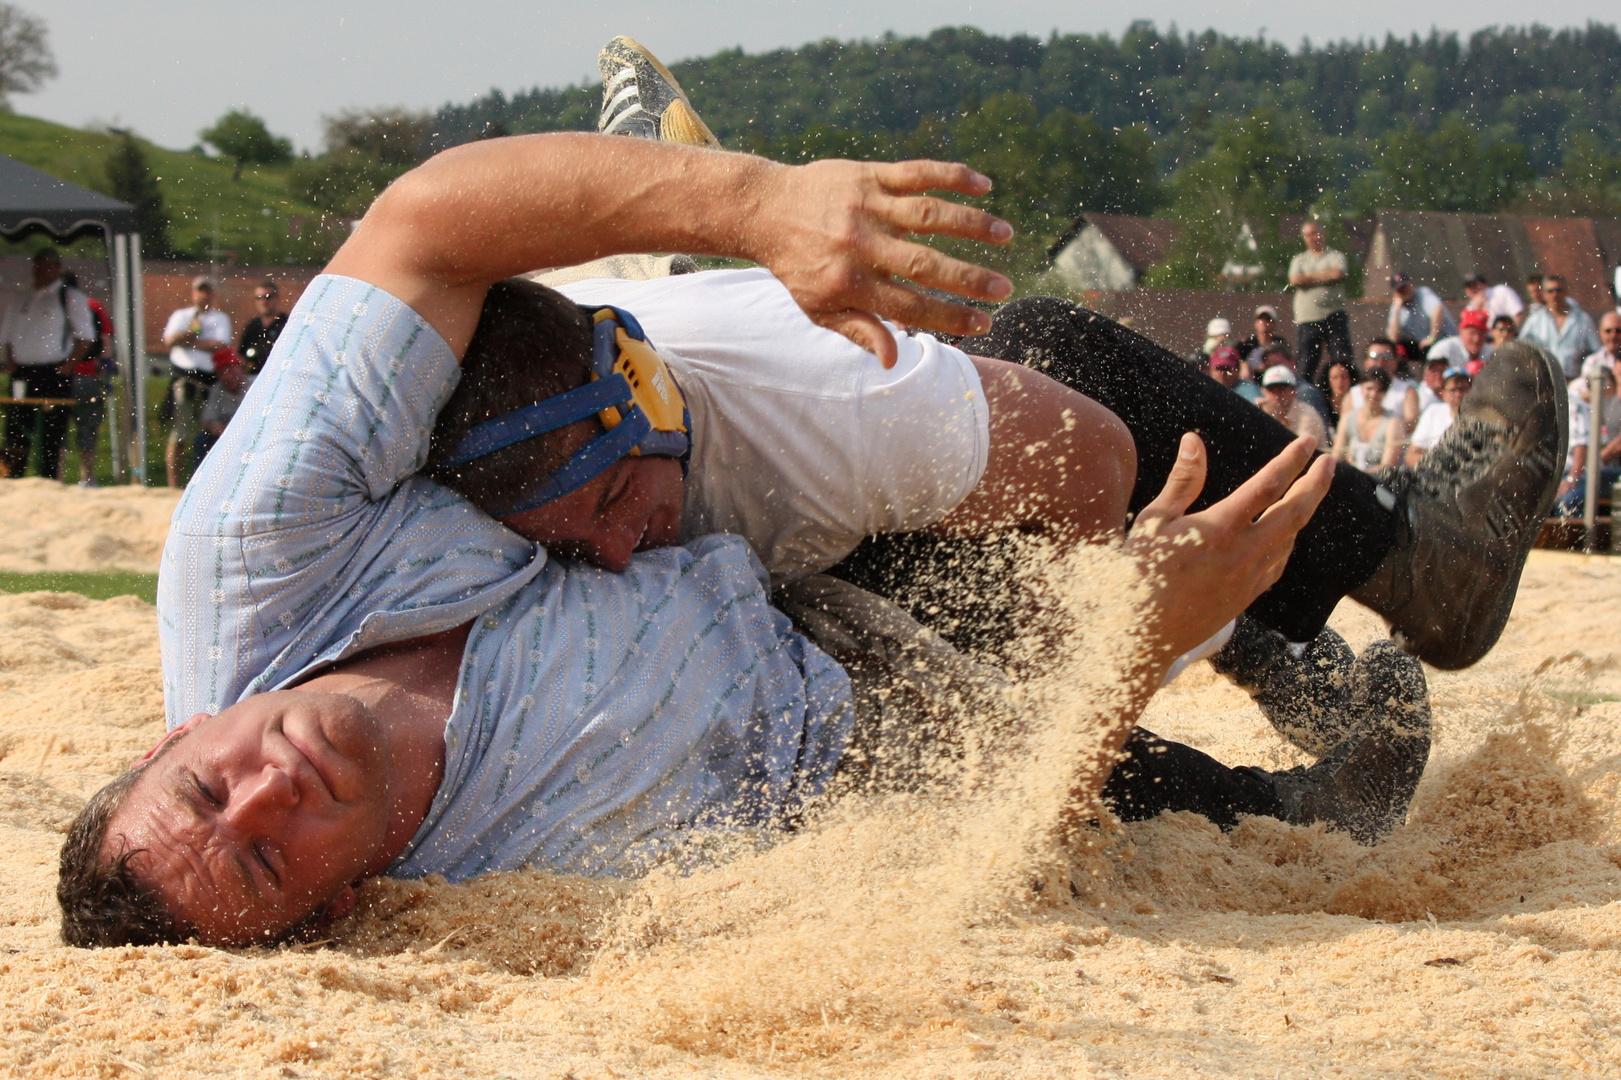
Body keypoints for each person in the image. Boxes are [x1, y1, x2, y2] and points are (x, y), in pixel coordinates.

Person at [56, 53, 1564, 951]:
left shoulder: (258, 561)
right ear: (324, 918)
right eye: (262, 856)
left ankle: (1398, 574)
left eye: (209, 786)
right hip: (867, 703)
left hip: (683, 477)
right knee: (1052, 727)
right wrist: (1114, 656)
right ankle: (1289, 754)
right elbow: (954, 850)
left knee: (1045, 368)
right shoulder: (526, 891)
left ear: (177, 733)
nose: (268, 792)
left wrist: (750, 201)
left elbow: (421, 226)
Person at [0, 249, 95, 479]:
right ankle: (11, 477)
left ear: (57, 268)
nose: (41, 271)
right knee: (16, 428)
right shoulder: (22, 298)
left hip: (53, 371)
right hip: (23, 371)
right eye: (38, 266)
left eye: (46, 266)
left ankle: (48, 478)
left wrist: (69, 365)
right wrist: (11, 361)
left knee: (52, 431)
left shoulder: (70, 297)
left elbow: (85, 336)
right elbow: (8, 336)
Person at [160, 276, 231, 487]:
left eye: (208, 291)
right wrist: (192, 333)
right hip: (184, 378)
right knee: (179, 434)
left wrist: (191, 341)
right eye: (200, 291)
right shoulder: (181, 315)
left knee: (209, 431)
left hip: (208, 381)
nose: (204, 295)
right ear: (193, 293)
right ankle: (173, 485)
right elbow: (170, 341)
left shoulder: (220, 318)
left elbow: (220, 344)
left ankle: (203, 483)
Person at [61, 273, 115, 486]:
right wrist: (106, 369)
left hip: (60, 376)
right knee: (87, 427)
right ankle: (87, 477)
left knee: (58, 427)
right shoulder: (92, 305)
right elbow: (105, 341)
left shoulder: (54, 308)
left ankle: (57, 476)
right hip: (88, 376)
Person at [1289, 221, 1351, 383]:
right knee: (1306, 363)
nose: (1312, 238)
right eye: (1308, 235)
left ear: (1323, 234)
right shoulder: (1299, 260)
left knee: (1342, 359)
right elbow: (1295, 279)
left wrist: (1308, 277)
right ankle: (1304, 393)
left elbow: (1337, 274)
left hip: (1333, 314)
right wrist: (1325, 276)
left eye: (1315, 233)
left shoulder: (1336, 256)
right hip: (1308, 317)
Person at [1556, 366, 1620, 518]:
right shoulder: (1592, 406)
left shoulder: (1576, 405)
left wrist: (1573, 478)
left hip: (1602, 471)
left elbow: (1582, 446)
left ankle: (1584, 540)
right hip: (1581, 470)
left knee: (1567, 503)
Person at [1521, 275, 1600, 380]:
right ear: (1544, 294)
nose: (1555, 295)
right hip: (1545, 383)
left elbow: (1596, 351)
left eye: (1558, 290)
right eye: (1550, 291)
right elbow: (1521, 349)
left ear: (1566, 292)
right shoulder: (1535, 321)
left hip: (1576, 383)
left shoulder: (1582, 320)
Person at [1333, 368, 1406, 473]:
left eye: (1380, 390)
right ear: (1361, 388)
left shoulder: (1393, 422)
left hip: (1380, 482)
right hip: (1351, 478)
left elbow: (1388, 466)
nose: (1374, 394)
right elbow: (1337, 455)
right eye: (1370, 388)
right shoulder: (1348, 418)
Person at [1346, 339, 1421, 432]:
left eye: (1387, 356)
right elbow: (1345, 427)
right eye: (1374, 356)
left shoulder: (1408, 391)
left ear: (1395, 362)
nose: (1381, 361)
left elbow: (1411, 424)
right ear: (1366, 362)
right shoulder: (1353, 394)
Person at [193, 350, 251, 465]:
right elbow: (205, 421)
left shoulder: (258, 384)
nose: (227, 377)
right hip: (226, 437)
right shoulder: (217, 390)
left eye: (230, 370)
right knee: (202, 439)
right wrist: (213, 426)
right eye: (221, 372)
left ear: (240, 368)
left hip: (251, 434)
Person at [1405, 368, 1472, 467]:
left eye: (1463, 389)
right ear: (1443, 393)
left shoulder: (1481, 416)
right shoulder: (1433, 411)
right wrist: (1437, 464)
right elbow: (1412, 455)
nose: (1458, 394)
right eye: (1453, 390)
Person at [1387, 273, 1457, 360]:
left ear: (1411, 285)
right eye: (1400, 289)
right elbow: (1394, 338)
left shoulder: (1423, 293)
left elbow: (1438, 309)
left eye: (1406, 286)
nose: (1405, 291)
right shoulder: (1396, 307)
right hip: (1425, 348)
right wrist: (1397, 309)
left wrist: (1432, 337)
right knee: (1398, 349)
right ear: (1394, 293)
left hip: (1446, 341)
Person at [1257, 365, 1327, 449]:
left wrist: (1278, 419)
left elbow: (1299, 451)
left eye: (1282, 390)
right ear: (1263, 392)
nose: (1277, 395)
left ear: (1294, 391)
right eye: (1272, 390)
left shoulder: (1307, 414)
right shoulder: (1258, 410)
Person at [237, 279, 287, 375]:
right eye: (259, 298)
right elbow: (241, 355)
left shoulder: (286, 324)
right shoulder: (252, 326)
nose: (263, 301)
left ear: (278, 298)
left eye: (268, 297)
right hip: (252, 376)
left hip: (277, 375)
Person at [1426, 309, 1494, 374]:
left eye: (1481, 334)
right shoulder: (1443, 349)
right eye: (1472, 333)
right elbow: (1432, 380)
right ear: (1461, 331)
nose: (1477, 339)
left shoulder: (1491, 352)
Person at [1233, 304, 1285, 369]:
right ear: (1255, 323)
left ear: (1274, 323)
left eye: (1268, 319)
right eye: (1260, 319)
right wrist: (1244, 366)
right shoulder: (1245, 344)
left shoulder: (1280, 343)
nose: (1263, 322)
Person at [1578, 310, 1621, 379]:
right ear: (1601, 332)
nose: (1613, 336)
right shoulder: (1592, 362)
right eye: (1608, 331)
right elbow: (1583, 387)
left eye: (1618, 331)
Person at [1325, 360, 1354, 434]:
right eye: (1335, 378)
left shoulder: (1357, 402)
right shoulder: (1323, 404)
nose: (1340, 381)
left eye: (1344, 377)